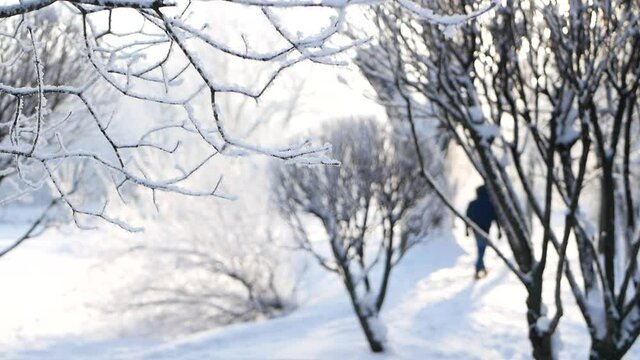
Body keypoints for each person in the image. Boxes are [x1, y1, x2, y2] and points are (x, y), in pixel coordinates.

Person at [465, 185, 501, 279]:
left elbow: (467, 217)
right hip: (485, 230)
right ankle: (478, 270)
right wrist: (499, 230)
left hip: (476, 230)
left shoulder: (473, 204)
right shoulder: (489, 204)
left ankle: (482, 268)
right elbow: (495, 218)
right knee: (481, 249)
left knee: (481, 249)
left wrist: (467, 229)